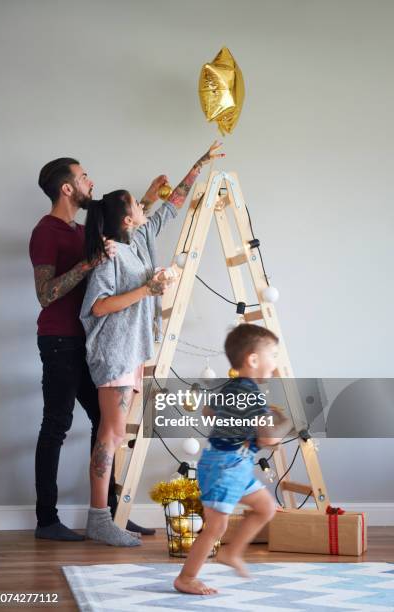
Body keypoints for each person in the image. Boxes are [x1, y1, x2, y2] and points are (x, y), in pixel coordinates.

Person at [80, 141, 225, 547]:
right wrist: (148, 289)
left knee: (117, 434)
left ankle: (109, 516)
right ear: (127, 218)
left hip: (134, 349)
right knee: (109, 435)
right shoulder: (110, 256)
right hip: (113, 352)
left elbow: (171, 206)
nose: (146, 207)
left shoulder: (139, 240)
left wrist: (199, 163)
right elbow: (98, 306)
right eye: (137, 205)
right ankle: (98, 518)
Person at [29, 157, 166, 541]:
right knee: (57, 424)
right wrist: (90, 264)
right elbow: (45, 294)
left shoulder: (84, 228)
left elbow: (122, 220)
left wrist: (148, 201)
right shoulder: (47, 231)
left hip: (95, 342)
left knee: (106, 427)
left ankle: (108, 511)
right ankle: (47, 520)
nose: (91, 180)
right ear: (67, 188)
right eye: (83, 176)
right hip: (61, 341)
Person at [174, 323, 293, 595]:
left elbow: (207, 412)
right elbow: (268, 440)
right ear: (253, 359)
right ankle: (186, 578)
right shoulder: (252, 395)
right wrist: (287, 423)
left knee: (265, 507)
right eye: (272, 355)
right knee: (216, 527)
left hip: (232, 466)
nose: (275, 364)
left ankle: (233, 553)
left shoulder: (231, 387)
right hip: (225, 467)